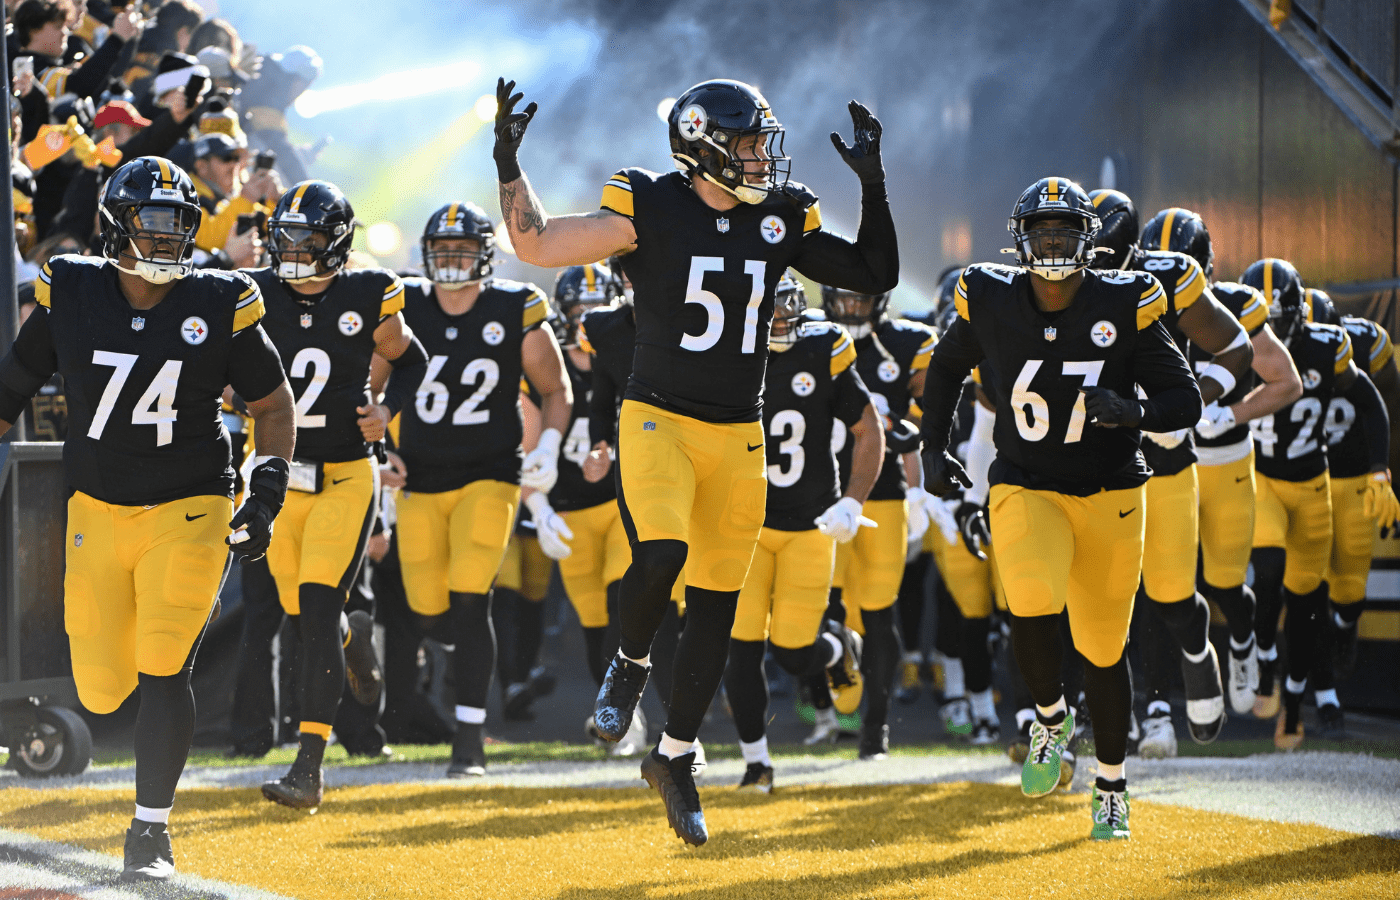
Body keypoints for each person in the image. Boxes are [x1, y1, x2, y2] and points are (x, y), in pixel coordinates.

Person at [492, 75, 898, 845]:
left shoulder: (780, 214)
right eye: (745, 144)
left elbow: (873, 273)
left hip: (737, 430)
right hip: (658, 418)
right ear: (704, 143)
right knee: (663, 556)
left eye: (759, 144)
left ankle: (675, 753)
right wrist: (510, 167)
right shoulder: (650, 200)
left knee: (715, 600)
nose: (758, 159)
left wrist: (873, 187)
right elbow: (537, 244)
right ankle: (629, 663)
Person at [0, 157, 295, 881]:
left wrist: (267, 493)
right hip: (96, 509)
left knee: (165, 660)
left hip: (190, 505)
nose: (167, 243)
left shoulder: (222, 297)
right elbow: (12, 382)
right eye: (152, 227)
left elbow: (273, 403)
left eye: (177, 229)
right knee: (99, 687)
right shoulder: (70, 286)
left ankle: (151, 830)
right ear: (114, 228)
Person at [921, 176, 1202, 841]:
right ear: (1020, 240)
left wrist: (1134, 411)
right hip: (1026, 481)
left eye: (1064, 233)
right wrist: (935, 447)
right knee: (1030, 603)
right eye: (1041, 233)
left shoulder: (1124, 298)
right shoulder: (988, 296)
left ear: (1088, 242)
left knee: (1104, 651)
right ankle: (1050, 717)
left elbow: (1184, 398)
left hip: (1111, 490)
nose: (1052, 245)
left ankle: (1111, 784)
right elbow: (945, 366)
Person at [374, 201, 569, 776]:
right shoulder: (404, 305)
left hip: (490, 473)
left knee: (470, 595)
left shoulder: (516, 306)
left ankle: (469, 738)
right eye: (444, 251)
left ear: (485, 255)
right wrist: (377, 448)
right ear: (426, 256)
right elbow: (371, 391)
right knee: (428, 610)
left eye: (463, 250)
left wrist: (550, 449)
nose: (453, 262)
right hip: (419, 477)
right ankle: (459, 677)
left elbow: (554, 389)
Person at [250, 180, 428, 807]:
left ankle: (309, 764)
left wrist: (388, 411)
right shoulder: (256, 293)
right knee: (306, 622)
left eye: (308, 238)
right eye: (286, 236)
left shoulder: (366, 294)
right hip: (277, 480)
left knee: (318, 612)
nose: (294, 250)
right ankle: (354, 644)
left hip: (346, 476)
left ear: (337, 244)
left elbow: (410, 358)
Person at [1088, 190, 1255, 755]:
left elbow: (1236, 349)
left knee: (1172, 598)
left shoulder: (1171, 278)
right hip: (1097, 470)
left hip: (1165, 464)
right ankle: (1139, 712)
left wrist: (1193, 406)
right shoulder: (1054, 283)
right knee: (1106, 598)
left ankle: (1198, 653)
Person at [1139, 208, 1302, 718]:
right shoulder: (1132, 303)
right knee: (1167, 591)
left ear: (1204, 271)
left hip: (1226, 462)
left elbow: (1287, 382)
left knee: (1227, 584)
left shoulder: (1233, 307)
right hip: (1168, 469)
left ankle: (1242, 644)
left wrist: (1230, 410)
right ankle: (1161, 708)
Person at [723, 273, 881, 791]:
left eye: (787, 309)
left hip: (809, 523)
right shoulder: (721, 349)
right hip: (742, 525)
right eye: (769, 311)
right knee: (741, 649)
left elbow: (867, 428)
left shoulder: (823, 347)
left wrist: (852, 503)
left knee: (794, 654)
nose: (780, 321)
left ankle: (837, 647)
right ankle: (756, 763)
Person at [1239, 259, 1396, 749]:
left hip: (1315, 485)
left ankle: (1292, 706)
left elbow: (1375, 401)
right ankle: (1262, 656)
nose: (1270, 335)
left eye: (1278, 322)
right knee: (1267, 570)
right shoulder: (1234, 341)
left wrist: (1378, 469)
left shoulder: (1330, 349)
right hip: (1263, 479)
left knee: (1314, 600)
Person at [822, 283, 936, 757]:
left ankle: (877, 724)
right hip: (826, 493)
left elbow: (933, 410)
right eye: (843, 298)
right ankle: (839, 673)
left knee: (879, 607)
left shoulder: (905, 343)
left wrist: (919, 484)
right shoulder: (813, 337)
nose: (851, 306)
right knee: (825, 603)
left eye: (860, 297)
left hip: (884, 495)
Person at [1307, 289, 1400, 734]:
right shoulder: (1286, 348)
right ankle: (1324, 694)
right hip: (1309, 480)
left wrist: (1382, 470)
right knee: (1311, 592)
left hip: (1357, 478)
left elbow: (1388, 404)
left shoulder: (1365, 343)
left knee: (1350, 590)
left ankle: (1346, 627)